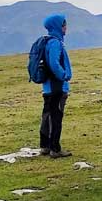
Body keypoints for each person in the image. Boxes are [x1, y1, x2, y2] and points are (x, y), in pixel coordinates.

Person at [39, 14, 73, 158]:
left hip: (48, 87)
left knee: (47, 116)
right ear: (58, 26)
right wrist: (64, 75)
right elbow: (54, 63)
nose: (66, 27)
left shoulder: (47, 41)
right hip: (57, 87)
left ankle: (45, 146)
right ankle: (55, 149)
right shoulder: (55, 43)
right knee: (56, 117)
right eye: (64, 24)